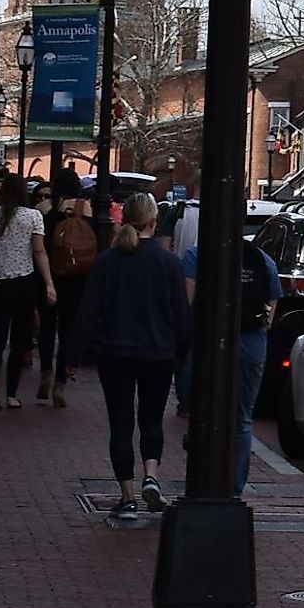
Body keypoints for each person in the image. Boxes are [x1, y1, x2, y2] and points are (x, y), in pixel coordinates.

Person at [75, 193, 191, 522]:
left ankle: (126, 496)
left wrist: (72, 355)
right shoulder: (169, 262)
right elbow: (181, 315)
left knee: (121, 424)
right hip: (157, 353)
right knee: (151, 419)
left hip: (116, 352)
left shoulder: (109, 260)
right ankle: (151, 474)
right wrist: (181, 351)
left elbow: (88, 311)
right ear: (154, 221)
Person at [183, 224, 282, 493]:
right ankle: (235, 489)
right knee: (242, 419)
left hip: (209, 343)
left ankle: (202, 481)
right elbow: (272, 306)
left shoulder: (196, 255)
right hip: (252, 344)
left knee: (204, 410)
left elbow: (188, 303)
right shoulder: (261, 259)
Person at [0, 174, 55, 412]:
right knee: (19, 341)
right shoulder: (33, 217)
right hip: (23, 282)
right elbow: (39, 252)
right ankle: (11, 394)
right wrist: (49, 283)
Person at [36, 180, 102, 406]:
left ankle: (45, 370)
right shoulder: (88, 210)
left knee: (46, 326)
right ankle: (60, 383)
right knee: (67, 329)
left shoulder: (46, 210)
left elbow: (38, 245)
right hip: (77, 278)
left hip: (50, 276)